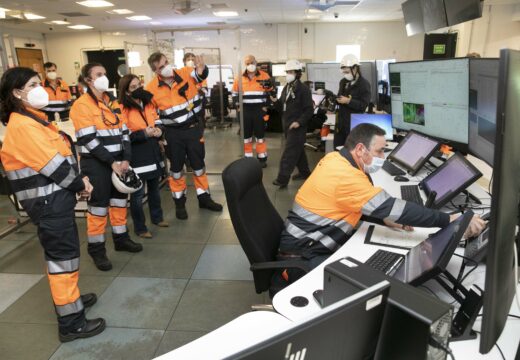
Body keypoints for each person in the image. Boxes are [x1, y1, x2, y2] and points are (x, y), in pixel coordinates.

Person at [275, 124, 486, 283]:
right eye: (379, 151)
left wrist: (385, 220)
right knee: (366, 285)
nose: (383, 156)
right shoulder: (345, 176)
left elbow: (351, 204)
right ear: (360, 149)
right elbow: (394, 208)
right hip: (302, 255)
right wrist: (450, 219)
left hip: (305, 241)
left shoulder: (335, 159)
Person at [0, 67, 105, 342]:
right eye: (33, 84)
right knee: (62, 260)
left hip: (56, 200)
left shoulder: (36, 121)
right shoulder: (23, 126)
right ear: (16, 92)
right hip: (48, 204)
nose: (40, 88)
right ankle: (71, 323)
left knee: (66, 258)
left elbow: (62, 156)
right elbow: (55, 167)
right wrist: (81, 184)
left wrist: (79, 180)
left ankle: (72, 302)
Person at [70, 62, 143, 271]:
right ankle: (97, 250)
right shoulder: (81, 105)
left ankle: (121, 239)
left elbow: (125, 131)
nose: (104, 77)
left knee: (120, 203)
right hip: (97, 164)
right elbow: (89, 140)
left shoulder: (113, 102)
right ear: (88, 80)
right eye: (98, 74)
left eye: (104, 73)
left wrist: (126, 159)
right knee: (99, 208)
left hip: (120, 162)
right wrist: (112, 163)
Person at [145, 52, 222, 220]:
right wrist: (159, 133)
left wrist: (202, 69)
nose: (166, 68)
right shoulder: (151, 89)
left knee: (199, 166)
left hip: (193, 129)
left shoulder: (185, 73)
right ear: (155, 71)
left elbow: (200, 74)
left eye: (166, 63)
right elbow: (152, 114)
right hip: (172, 135)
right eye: (161, 67)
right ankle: (179, 204)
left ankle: (204, 198)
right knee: (176, 170)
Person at [118, 74, 168, 238]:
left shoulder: (148, 103)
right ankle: (140, 228)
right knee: (138, 194)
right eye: (133, 87)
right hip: (137, 155)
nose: (138, 89)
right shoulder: (122, 109)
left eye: (139, 85)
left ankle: (157, 217)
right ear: (126, 92)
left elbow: (157, 119)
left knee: (155, 188)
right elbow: (124, 136)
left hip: (153, 151)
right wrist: (143, 133)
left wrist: (160, 131)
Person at [272, 60, 313, 188]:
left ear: (297, 73)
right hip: (287, 124)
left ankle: (282, 179)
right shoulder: (287, 87)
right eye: (287, 72)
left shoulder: (303, 89)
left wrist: (299, 122)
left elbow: (309, 110)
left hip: (297, 126)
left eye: (291, 72)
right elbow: (282, 105)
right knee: (298, 150)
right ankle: (305, 173)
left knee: (289, 153)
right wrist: (274, 101)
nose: (288, 74)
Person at [232, 55, 274, 167]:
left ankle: (262, 158)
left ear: (256, 63)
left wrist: (266, 106)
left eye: (252, 62)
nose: (250, 64)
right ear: (245, 65)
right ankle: (248, 158)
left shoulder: (264, 76)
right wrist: (238, 107)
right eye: (248, 63)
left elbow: (271, 93)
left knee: (260, 136)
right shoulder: (239, 77)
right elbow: (235, 94)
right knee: (246, 136)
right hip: (245, 110)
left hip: (259, 110)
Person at [334, 54, 371, 148]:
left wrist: (348, 101)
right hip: (341, 123)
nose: (346, 75)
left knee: (351, 152)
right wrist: (334, 99)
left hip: (353, 125)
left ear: (355, 68)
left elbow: (363, 105)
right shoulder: (343, 81)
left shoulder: (364, 84)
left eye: (347, 72)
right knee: (337, 151)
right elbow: (340, 97)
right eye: (344, 72)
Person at [183, 52, 208, 130]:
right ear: (184, 61)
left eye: (192, 59)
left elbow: (205, 90)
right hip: (186, 103)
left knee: (200, 122)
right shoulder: (181, 73)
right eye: (188, 59)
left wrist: (199, 89)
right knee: (187, 119)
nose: (190, 61)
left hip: (198, 103)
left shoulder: (199, 73)